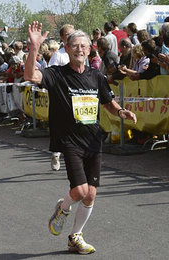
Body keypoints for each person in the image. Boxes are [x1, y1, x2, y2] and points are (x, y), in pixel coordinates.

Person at [24, 21, 137, 255]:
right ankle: (62, 209)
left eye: (83, 46)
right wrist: (34, 47)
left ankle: (76, 236)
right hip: (69, 140)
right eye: (74, 45)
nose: (79, 49)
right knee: (80, 190)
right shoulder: (57, 74)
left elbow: (108, 102)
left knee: (91, 193)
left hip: (93, 140)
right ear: (66, 48)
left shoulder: (96, 76)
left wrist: (121, 112)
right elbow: (29, 75)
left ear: (89, 50)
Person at [48, 24, 75, 171]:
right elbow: (50, 74)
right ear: (63, 38)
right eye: (69, 34)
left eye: (73, 33)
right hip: (62, 97)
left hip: (77, 97)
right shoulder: (59, 55)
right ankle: (56, 154)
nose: (72, 36)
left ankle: (75, 156)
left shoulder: (79, 53)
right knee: (60, 127)